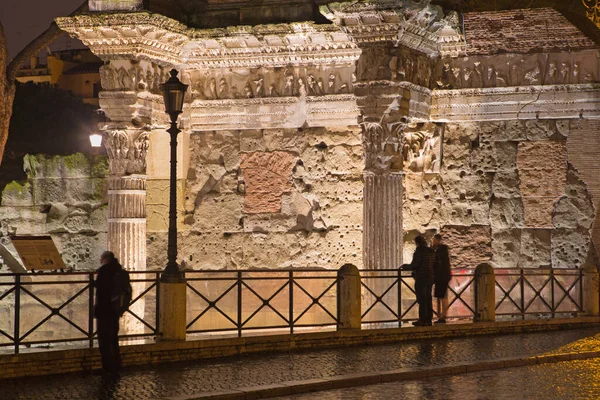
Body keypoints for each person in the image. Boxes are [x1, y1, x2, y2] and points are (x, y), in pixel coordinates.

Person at [94, 251, 125, 375]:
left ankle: (107, 366)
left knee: (104, 339)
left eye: (101, 258)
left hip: (104, 309)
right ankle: (116, 364)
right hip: (115, 310)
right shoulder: (121, 272)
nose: (100, 260)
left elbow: (101, 289)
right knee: (114, 338)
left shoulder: (103, 272)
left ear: (105, 259)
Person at [401, 236, 436, 326]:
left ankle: (422, 320)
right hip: (430, 278)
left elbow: (415, 265)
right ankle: (428, 319)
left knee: (422, 299)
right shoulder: (431, 251)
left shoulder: (419, 251)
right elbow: (435, 265)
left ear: (417, 243)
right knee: (428, 298)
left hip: (421, 278)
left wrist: (404, 266)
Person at [432, 234, 452, 324]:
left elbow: (438, 263)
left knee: (443, 296)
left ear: (437, 240)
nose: (433, 241)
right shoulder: (443, 250)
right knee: (442, 296)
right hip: (443, 277)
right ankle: (442, 316)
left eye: (434, 240)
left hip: (441, 277)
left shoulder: (440, 250)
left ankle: (443, 316)